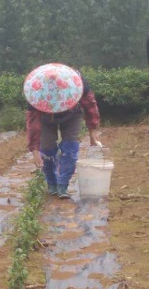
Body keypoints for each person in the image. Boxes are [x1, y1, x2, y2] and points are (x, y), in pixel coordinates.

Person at [24, 63, 101, 199]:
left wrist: (92, 132)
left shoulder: (77, 82)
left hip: (72, 115)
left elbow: (90, 106)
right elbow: (33, 124)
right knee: (47, 148)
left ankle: (63, 184)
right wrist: (35, 150)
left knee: (70, 148)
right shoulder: (35, 92)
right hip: (46, 118)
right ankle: (52, 182)